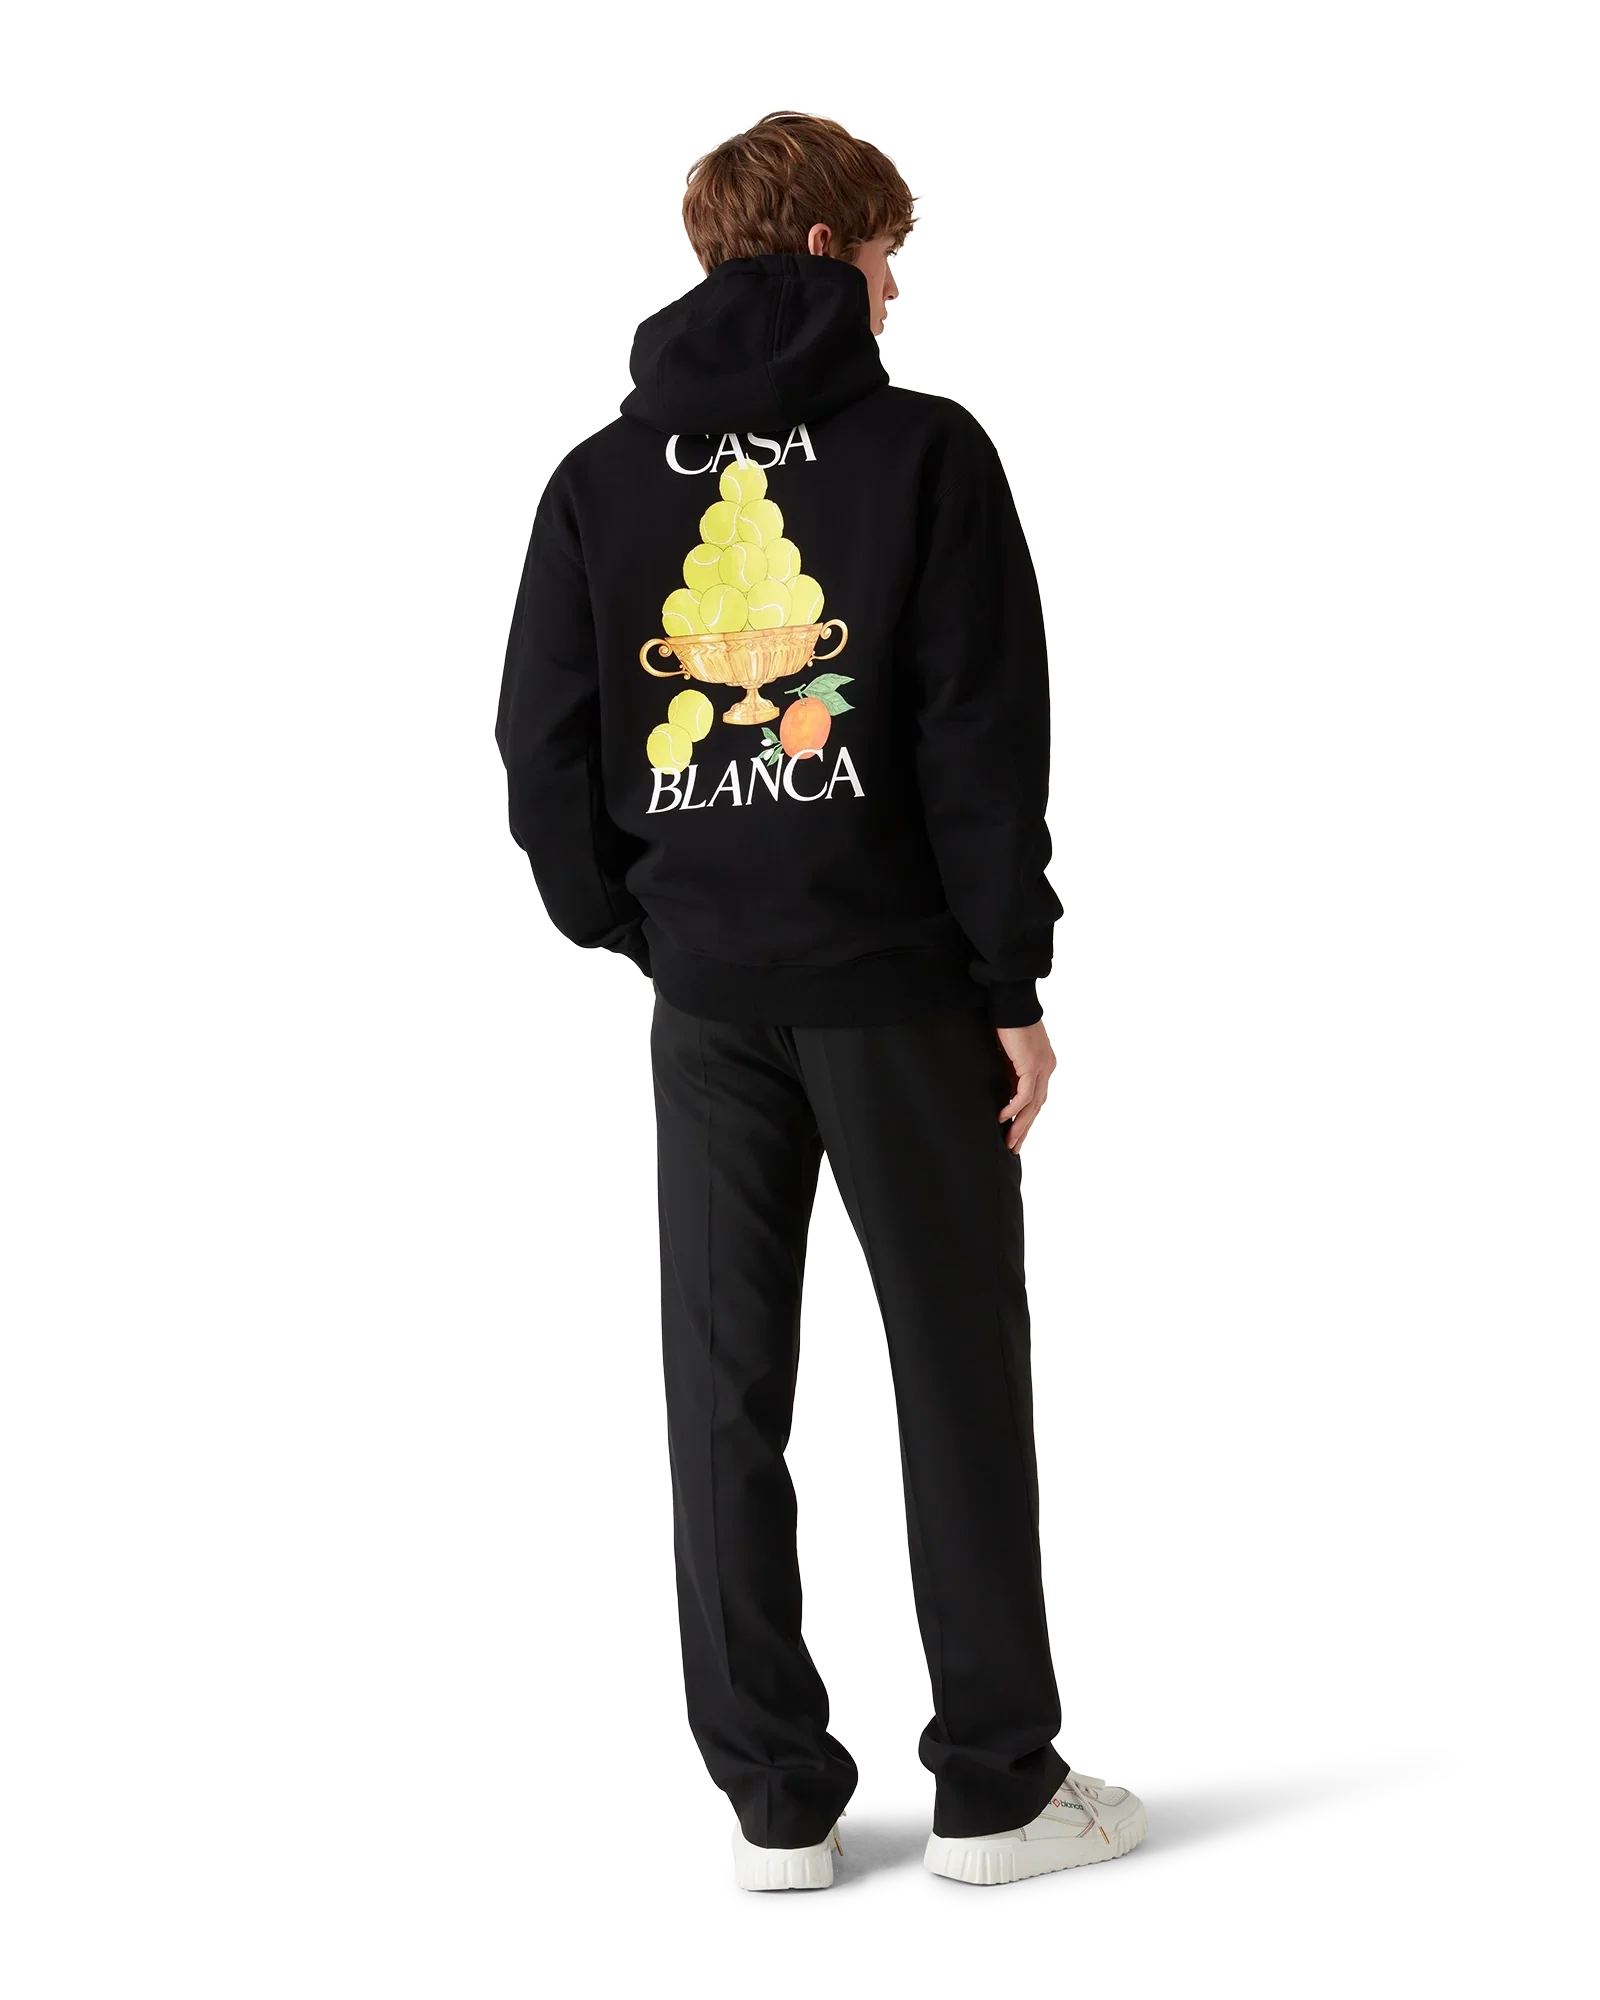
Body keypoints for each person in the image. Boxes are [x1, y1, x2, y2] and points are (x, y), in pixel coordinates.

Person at [493, 110, 1148, 1891]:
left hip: (708, 996)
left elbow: (545, 753)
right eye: (885, 256)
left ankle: (776, 1810)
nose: (896, 290)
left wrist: (641, 923)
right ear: (829, 251)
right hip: (901, 991)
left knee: (723, 1386)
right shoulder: (929, 452)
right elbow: (980, 739)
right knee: (953, 1374)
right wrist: (1009, 981)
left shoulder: (599, 476)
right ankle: (995, 1798)